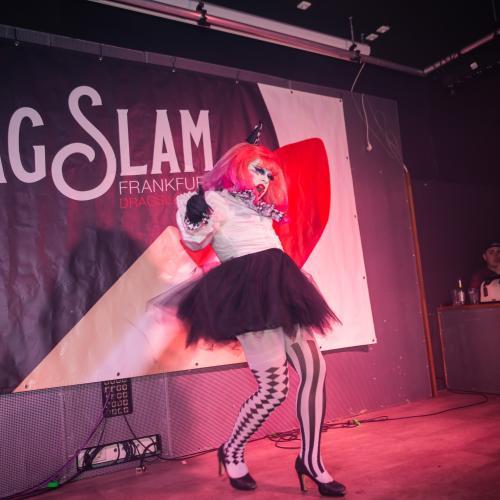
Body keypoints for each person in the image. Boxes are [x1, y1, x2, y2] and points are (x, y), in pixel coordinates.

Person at [157, 128, 345, 496]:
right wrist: (196, 215)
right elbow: (195, 239)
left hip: (282, 287)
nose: (263, 179)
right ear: (236, 167)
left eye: (268, 173)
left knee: (315, 370)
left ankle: (311, 460)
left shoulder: (259, 203)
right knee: (274, 390)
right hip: (248, 293)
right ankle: (232, 449)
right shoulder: (211, 200)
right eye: (257, 169)